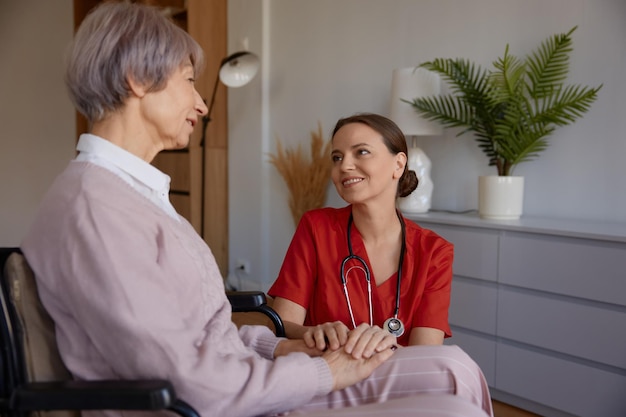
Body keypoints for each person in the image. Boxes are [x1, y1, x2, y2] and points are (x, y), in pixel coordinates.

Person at [20, 3, 493, 417]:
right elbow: (189, 383)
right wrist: (324, 371)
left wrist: (286, 345)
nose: (202, 104)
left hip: (250, 379)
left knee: (454, 368)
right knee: (455, 405)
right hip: (233, 403)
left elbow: (209, 336)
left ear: (399, 165)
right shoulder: (96, 213)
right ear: (139, 81)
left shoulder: (133, 199)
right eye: (189, 82)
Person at [269, 113, 453, 349]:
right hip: (326, 374)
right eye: (337, 157)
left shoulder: (434, 252)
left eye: (361, 152)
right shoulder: (316, 228)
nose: (344, 166)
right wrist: (315, 332)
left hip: (396, 381)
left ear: (398, 164)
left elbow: (425, 355)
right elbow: (283, 323)